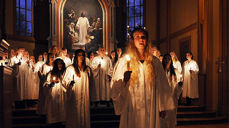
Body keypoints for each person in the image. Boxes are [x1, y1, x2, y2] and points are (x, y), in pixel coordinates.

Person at [110, 27, 174, 128]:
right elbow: (115, 87)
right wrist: (124, 81)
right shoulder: (124, 61)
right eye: (137, 37)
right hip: (132, 107)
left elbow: (162, 85)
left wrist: (162, 106)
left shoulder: (155, 62)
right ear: (132, 40)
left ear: (147, 40)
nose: (141, 39)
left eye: (143, 37)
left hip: (151, 105)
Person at [63, 49, 91, 128]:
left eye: (82, 55)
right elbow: (64, 82)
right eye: (79, 55)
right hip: (74, 95)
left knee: (84, 113)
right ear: (76, 57)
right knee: (75, 112)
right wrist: (70, 83)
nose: (81, 57)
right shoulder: (70, 68)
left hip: (85, 95)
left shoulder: (87, 69)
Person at [162, 54, 183, 128]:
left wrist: (179, 86)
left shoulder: (174, 71)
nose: (167, 60)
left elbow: (177, 83)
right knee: (164, 116)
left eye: (168, 59)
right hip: (163, 96)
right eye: (166, 59)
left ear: (171, 60)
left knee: (172, 114)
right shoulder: (161, 71)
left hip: (172, 95)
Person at [44, 58, 66, 125]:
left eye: (61, 63)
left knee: (62, 107)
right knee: (54, 107)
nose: (60, 65)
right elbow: (46, 84)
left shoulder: (65, 73)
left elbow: (67, 82)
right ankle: (53, 120)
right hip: (54, 93)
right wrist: (50, 84)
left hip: (63, 93)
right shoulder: (51, 73)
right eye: (58, 63)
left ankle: (62, 120)